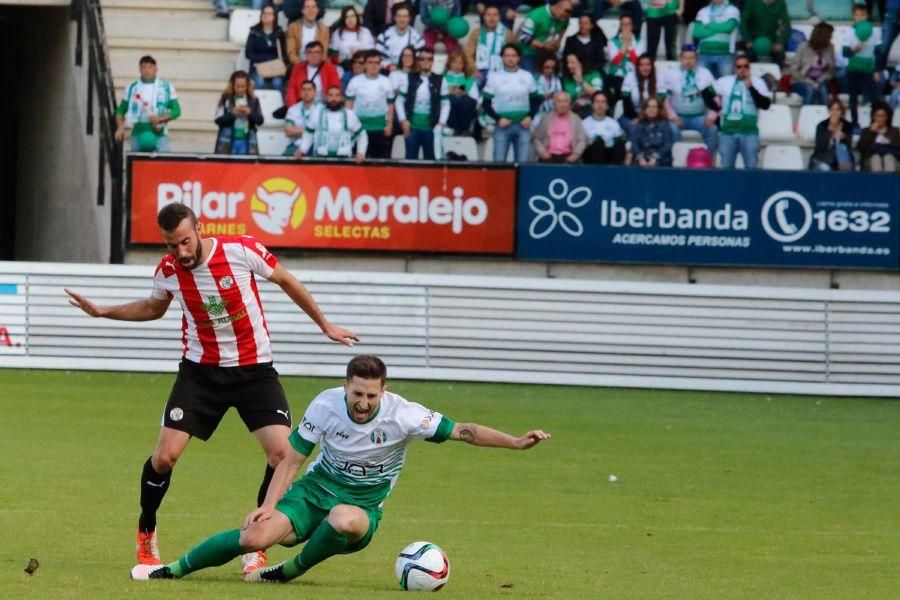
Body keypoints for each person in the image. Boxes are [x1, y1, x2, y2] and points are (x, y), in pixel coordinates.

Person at [65, 204, 359, 572]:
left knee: (283, 455)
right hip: (200, 374)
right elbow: (153, 308)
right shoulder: (168, 271)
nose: (182, 252)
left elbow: (286, 280)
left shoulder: (240, 251)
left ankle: (258, 538)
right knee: (164, 458)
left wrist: (325, 325)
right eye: (173, 246)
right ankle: (147, 527)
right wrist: (102, 312)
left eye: (186, 242)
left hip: (254, 372)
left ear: (199, 229)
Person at [130, 355, 550, 584]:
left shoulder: (405, 416)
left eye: (370, 395)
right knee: (255, 535)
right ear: (345, 386)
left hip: (361, 508)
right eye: (356, 394)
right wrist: (269, 504)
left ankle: (285, 573)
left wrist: (515, 442)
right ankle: (172, 570)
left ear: (383, 391)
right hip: (313, 492)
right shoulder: (326, 404)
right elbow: (292, 458)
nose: (362, 403)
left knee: (343, 518)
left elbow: (464, 431)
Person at [483, 44, 542, 162]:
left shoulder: (527, 76)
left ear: (519, 58)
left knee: (523, 165)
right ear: (502, 58)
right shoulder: (494, 77)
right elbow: (485, 103)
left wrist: (530, 116)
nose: (510, 58)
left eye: (513, 55)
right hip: (502, 126)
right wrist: (498, 119)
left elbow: (536, 99)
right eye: (507, 55)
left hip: (523, 125)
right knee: (499, 165)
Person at [713, 54, 772, 168]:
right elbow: (706, 93)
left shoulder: (758, 82)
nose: (742, 69)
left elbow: (765, 105)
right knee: (726, 170)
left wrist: (751, 87)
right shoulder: (725, 81)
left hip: (750, 133)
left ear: (749, 68)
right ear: (735, 68)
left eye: (745, 66)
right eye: (739, 67)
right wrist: (716, 110)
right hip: (727, 133)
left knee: (751, 169)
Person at [661, 44, 720, 152]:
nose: (688, 61)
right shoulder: (671, 74)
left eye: (691, 58)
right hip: (678, 116)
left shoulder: (705, 73)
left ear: (696, 59)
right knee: (671, 129)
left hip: (699, 117)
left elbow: (715, 98)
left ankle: (707, 161)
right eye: (685, 58)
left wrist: (711, 117)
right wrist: (673, 117)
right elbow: (665, 100)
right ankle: (675, 162)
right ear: (681, 58)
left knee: (713, 129)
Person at [115, 56, 180, 152]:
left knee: (163, 164)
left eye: (150, 67)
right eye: (144, 67)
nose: (147, 70)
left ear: (156, 69)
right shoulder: (132, 88)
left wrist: (160, 118)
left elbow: (177, 111)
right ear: (139, 69)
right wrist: (120, 127)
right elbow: (120, 110)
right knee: (137, 164)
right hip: (138, 132)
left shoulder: (166, 87)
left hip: (159, 133)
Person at [396, 48, 450, 160]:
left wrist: (441, 123)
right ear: (418, 61)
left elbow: (446, 103)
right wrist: (403, 120)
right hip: (412, 127)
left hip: (431, 128)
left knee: (431, 164)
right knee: (410, 162)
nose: (426, 61)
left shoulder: (440, 80)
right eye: (422, 59)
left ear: (433, 61)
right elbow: (399, 100)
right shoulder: (409, 78)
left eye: (429, 59)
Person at [345, 50, 396, 158]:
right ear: (365, 65)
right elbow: (348, 105)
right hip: (359, 128)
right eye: (370, 62)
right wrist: (347, 126)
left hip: (379, 128)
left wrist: (389, 124)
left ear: (380, 65)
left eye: (376, 63)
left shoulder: (386, 82)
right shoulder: (355, 81)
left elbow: (390, 105)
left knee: (379, 163)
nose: (373, 66)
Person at [298, 86, 368, 162]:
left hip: (344, 161)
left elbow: (361, 134)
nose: (333, 99)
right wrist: (302, 150)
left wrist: (361, 152)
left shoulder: (350, 115)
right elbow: (308, 133)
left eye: (337, 95)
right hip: (320, 160)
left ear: (341, 98)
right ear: (325, 97)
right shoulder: (317, 113)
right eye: (330, 95)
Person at [842, 4, 880, 129]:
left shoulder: (874, 32)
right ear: (853, 16)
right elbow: (845, 53)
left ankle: (873, 124)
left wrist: (877, 70)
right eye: (857, 15)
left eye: (862, 15)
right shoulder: (849, 32)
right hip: (853, 70)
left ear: (867, 16)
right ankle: (854, 124)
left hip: (869, 70)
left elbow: (878, 52)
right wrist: (854, 50)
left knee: (874, 99)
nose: (860, 18)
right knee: (853, 99)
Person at [214, 71, 264, 155]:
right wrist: (232, 114)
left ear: (247, 85)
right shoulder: (225, 98)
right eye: (237, 86)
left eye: (243, 86)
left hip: (247, 141)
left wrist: (249, 113)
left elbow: (260, 120)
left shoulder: (253, 100)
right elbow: (218, 120)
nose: (240, 89)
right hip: (227, 140)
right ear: (232, 85)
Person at [517, 0, 574, 73]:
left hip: (548, 53)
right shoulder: (536, 15)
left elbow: (564, 26)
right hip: (529, 52)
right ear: (557, 8)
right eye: (562, 17)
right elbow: (522, 36)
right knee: (530, 75)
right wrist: (543, 46)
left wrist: (559, 41)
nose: (562, 19)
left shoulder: (565, 17)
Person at [466, 5, 516, 86]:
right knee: (466, 87)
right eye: (488, 15)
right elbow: (468, 54)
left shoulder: (507, 34)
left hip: (500, 71)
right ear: (484, 17)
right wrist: (473, 70)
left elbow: (513, 54)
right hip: (480, 71)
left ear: (499, 17)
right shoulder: (476, 33)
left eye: (495, 15)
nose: (491, 18)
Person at [532, 91, 588, 162]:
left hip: (569, 156)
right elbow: (536, 138)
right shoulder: (546, 118)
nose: (562, 104)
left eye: (565, 101)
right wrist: (542, 152)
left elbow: (582, 140)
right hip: (548, 156)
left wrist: (575, 154)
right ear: (554, 103)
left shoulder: (575, 119)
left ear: (569, 104)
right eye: (559, 101)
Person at [788, 22, 835, 106]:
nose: (832, 37)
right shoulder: (803, 47)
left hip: (821, 80)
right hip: (801, 80)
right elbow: (794, 70)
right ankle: (806, 115)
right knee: (809, 90)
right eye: (830, 35)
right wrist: (809, 82)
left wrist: (819, 81)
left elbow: (830, 70)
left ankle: (824, 116)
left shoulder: (830, 47)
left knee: (823, 91)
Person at [693, 0, 741, 78]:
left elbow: (728, 28)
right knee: (703, 86)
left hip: (725, 54)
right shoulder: (703, 11)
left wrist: (707, 26)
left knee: (725, 85)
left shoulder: (732, 10)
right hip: (703, 54)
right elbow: (696, 32)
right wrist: (719, 28)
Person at [286, 41, 342, 107]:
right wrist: (294, 108)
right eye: (310, 52)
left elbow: (335, 89)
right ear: (306, 55)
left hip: (324, 104)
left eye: (317, 52)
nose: (314, 55)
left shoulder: (330, 68)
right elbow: (291, 90)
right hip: (303, 104)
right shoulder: (298, 68)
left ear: (322, 54)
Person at [246, 6, 288, 92]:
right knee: (259, 82)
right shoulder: (254, 32)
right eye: (264, 13)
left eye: (269, 13)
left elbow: (284, 54)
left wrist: (271, 61)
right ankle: (257, 105)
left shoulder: (279, 33)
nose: (266, 15)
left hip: (275, 69)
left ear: (274, 17)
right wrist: (265, 59)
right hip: (258, 68)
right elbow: (248, 53)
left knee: (278, 83)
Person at [619, 53, 663, 137]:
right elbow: (626, 102)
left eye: (648, 65)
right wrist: (636, 118)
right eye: (642, 65)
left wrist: (642, 118)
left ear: (652, 66)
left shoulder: (659, 77)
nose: (645, 68)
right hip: (631, 115)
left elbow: (661, 103)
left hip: (653, 116)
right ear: (637, 67)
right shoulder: (630, 77)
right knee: (634, 128)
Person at [606, 14, 646, 101]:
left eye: (628, 24)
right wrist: (624, 47)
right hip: (617, 76)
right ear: (620, 26)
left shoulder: (639, 41)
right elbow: (615, 61)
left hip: (634, 75)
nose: (626, 27)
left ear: (632, 26)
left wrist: (630, 47)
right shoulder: (612, 41)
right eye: (623, 24)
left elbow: (638, 61)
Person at [739, 0, 790, 67]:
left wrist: (780, 42)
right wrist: (748, 40)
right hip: (754, 42)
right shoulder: (751, 2)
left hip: (772, 42)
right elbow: (743, 23)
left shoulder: (780, 3)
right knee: (748, 59)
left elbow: (785, 24)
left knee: (780, 57)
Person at [582, 90, 628, 164]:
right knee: (598, 144)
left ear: (607, 106)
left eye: (603, 102)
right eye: (597, 102)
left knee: (620, 145)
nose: (600, 105)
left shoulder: (613, 123)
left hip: (610, 156)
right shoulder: (584, 123)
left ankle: (615, 171)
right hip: (591, 157)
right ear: (592, 104)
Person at [808, 98, 854, 171]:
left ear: (841, 112)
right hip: (822, 159)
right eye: (832, 109)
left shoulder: (847, 126)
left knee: (841, 150)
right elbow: (820, 147)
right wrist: (830, 131)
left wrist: (843, 138)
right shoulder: (822, 126)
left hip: (841, 160)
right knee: (825, 168)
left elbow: (848, 147)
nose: (834, 112)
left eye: (837, 110)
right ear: (829, 111)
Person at [376, 3, 425, 70]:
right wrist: (389, 66)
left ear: (409, 18)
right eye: (399, 16)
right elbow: (378, 58)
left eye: (405, 16)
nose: (402, 19)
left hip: (410, 72)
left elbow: (419, 59)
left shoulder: (417, 38)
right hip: (389, 71)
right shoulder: (383, 36)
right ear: (394, 17)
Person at [443, 50, 481, 135]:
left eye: (460, 63)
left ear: (464, 65)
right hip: (448, 110)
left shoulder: (469, 80)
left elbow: (475, 99)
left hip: (464, 110)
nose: (457, 66)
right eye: (455, 62)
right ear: (450, 63)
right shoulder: (443, 79)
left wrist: (464, 93)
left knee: (466, 101)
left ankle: (464, 130)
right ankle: (449, 128)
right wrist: (450, 92)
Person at [630, 97, 674, 166]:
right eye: (648, 107)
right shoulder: (638, 125)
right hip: (642, 157)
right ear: (644, 109)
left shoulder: (665, 125)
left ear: (659, 109)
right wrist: (641, 158)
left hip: (660, 159)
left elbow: (667, 145)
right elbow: (634, 145)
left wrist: (654, 158)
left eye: (654, 107)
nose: (651, 109)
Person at [857, 102, 900, 172]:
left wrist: (889, 143)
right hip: (871, 159)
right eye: (878, 116)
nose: (880, 118)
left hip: (892, 159)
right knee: (876, 158)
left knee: (888, 157)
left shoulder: (894, 131)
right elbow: (862, 149)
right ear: (873, 117)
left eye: (883, 116)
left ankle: (889, 181)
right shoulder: (866, 131)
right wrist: (871, 132)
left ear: (887, 117)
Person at [329, 6, 375, 70]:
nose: (350, 19)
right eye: (347, 17)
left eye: (353, 16)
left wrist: (359, 53)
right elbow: (333, 54)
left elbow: (372, 53)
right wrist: (339, 60)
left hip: (363, 66)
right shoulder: (337, 33)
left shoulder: (365, 31)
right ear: (343, 19)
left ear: (357, 17)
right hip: (344, 66)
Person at [562, 53, 605, 119]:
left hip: (591, 111)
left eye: (572, 63)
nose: (569, 66)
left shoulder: (593, 74)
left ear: (580, 63)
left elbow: (597, 95)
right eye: (568, 63)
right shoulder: (567, 80)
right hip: (574, 112)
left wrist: (581, 82)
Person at [287, 0, 330, 65]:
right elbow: (291, 54)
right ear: (302, 10)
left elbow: (323, 54)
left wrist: (313, 65)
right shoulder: (293, 28)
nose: (311, 10)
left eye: (313, 7)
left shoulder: (324, 29)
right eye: (307, 7)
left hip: (317, 66)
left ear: (317, 10)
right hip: (298, 65)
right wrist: (304, 66)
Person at [284, 80, 319, 156]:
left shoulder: (321, 110)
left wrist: (297, 131)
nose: (306, 92)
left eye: (309, 90)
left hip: (315, 146)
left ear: (315, 92)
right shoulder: (293, 109)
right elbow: (288, 132)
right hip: (296, 145)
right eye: (304, 90)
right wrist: (310, 132)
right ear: (300, 92)